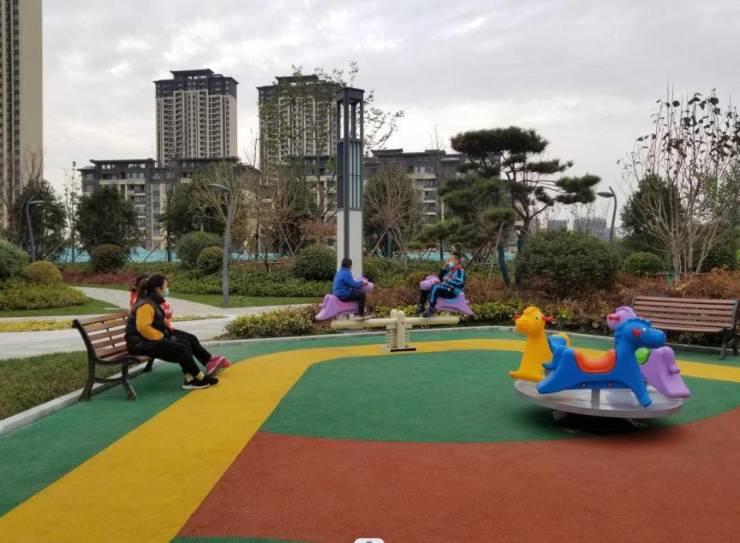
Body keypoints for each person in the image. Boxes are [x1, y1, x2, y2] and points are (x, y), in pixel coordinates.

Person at [125, 274, 230, 390]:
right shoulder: (146, 304)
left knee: (185, 342)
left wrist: (164, 331)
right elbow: (143, 327)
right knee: (180, 348)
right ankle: (200, 377)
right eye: (166, 286)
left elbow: (153, 323)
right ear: (158, 289)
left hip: (146, 341)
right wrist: (161, 336)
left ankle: (191, 379)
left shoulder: (151, 301)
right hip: (139, 345)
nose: (167, 289)